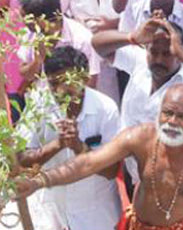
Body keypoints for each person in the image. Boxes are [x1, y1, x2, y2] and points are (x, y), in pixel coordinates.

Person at [16, 83, 183, 229]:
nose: (172, 121)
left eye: (182, 116)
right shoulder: (141, 137)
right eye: (167, 113)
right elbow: (89, 163)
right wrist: (39, 181)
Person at [16, 45, 122, 230]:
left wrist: (78, 146)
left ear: (84, 79)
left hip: (96, 214)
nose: (58, 90)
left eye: (65, 81)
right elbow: (21, 159)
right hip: (51, 212)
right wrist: (58, 144)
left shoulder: (106, 108)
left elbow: (111, 171)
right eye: (52, 83)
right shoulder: (38, 104)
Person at [92, 15, 183, 182]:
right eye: (153, 52)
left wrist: (180, 53)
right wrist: (132, 37)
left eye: (167, 54)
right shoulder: (139, 61)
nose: (158, 59)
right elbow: (98, 44)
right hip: (130, 167)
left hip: (168, 177)